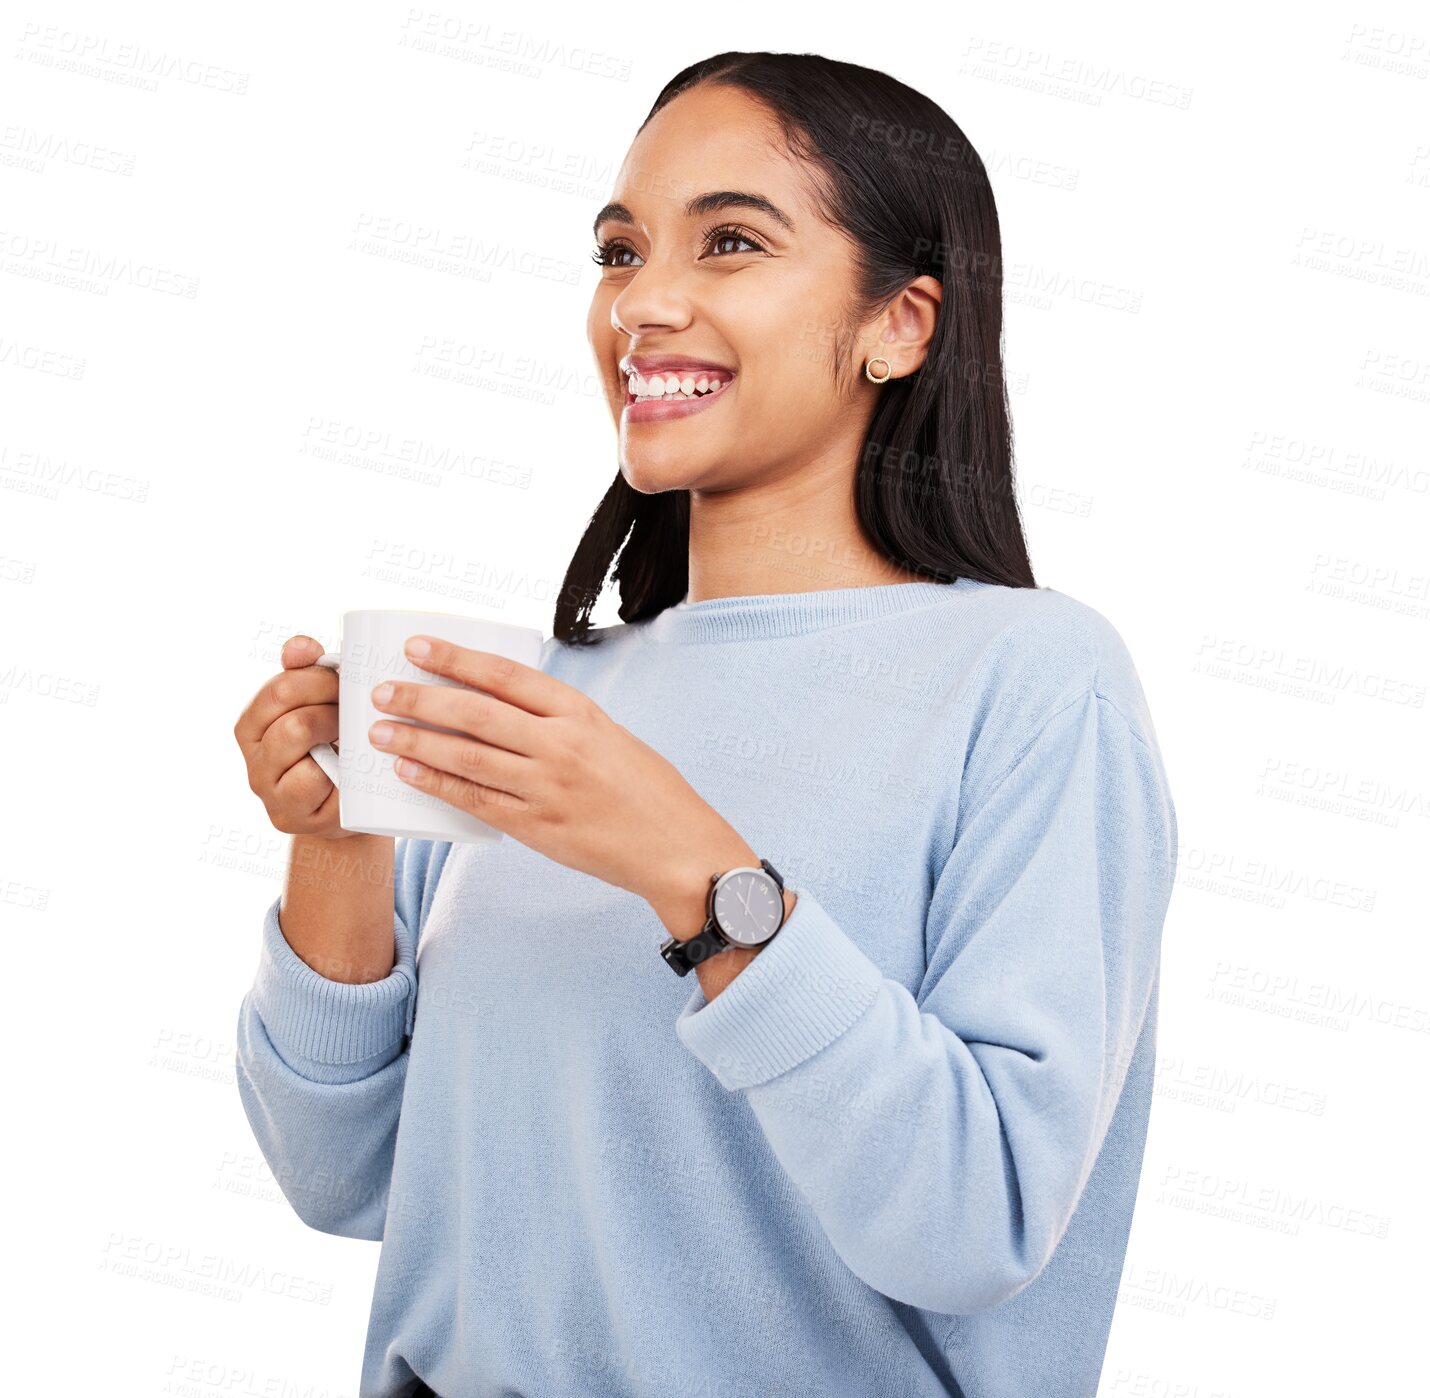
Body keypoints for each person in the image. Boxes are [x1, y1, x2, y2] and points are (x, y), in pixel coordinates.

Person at [232, 51, 1178, 1398]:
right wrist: (336, 847)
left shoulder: (1029, 680)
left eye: (729, 241)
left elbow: (978, 1215)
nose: (644, 302)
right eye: (618, 251)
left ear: (900, 323)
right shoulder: (551, 697)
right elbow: (345, 1175)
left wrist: (693, 871)